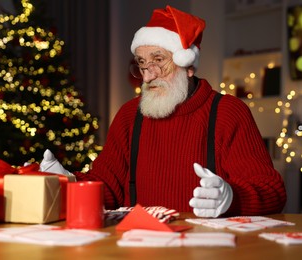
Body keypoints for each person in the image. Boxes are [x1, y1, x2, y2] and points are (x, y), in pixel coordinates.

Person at [40, 5, 287, 218]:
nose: (148, 75)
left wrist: (233, 197)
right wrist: (70, 183)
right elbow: (108, 187)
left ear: (188, 65)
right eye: (142, 63)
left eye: (158, 60)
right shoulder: (129, 116)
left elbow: (273, 191)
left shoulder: (229, 113)